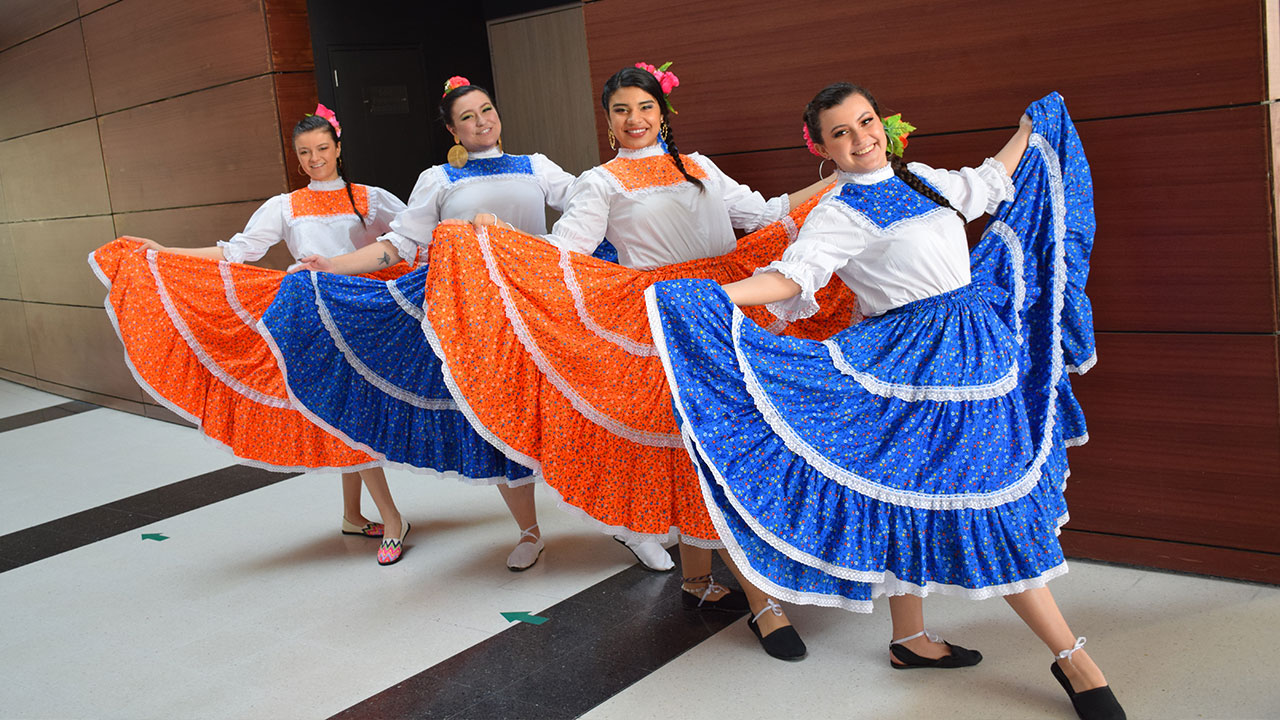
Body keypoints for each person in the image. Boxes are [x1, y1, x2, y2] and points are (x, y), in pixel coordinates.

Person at [645, 83, 1124, 719]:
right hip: (908, 369)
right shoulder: (838, 212)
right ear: (821, 146)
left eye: (866, 122)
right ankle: (1073, 657)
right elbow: (795, 278)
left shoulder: (922, 179)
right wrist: (715, 298)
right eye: (841, 132)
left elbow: (985, 182)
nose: (861, 138)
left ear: (884, 125)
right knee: (989, 510)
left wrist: (1028, 129)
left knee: (921, 495)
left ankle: (909, 639)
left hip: (977, 356)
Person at [426, 63, 847, 660]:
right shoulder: (600, 181)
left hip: (729, 305)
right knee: (706, 445)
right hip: (666, 321)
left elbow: (764, 213)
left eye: (645, 107)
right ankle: (763, 603)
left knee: (717, 444)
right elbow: (565, 249)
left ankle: (698, 581)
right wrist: (497, 237)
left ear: (663, 112)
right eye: (621, 110)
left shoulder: (698, 165)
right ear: (608, 120)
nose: (635, 120)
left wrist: (835, 186)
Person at [271, 77, 580, 570]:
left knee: (576, 403)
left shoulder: (538, 167)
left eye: (486, 110)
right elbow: (398, 245)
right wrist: (333, 267)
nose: (481, 122)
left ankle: (628, 525)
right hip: (478, 316)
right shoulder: (438, 179)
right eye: (468, 117)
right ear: (452, 130)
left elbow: (587, 208)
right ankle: (529, 531)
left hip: (542, 303)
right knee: (499, 416)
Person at [89, 106, 415, 565]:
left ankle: (352, 515)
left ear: (339, 148)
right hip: (313, 318)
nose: (315, 158)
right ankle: (391, 518)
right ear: (297, 157)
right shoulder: (284, 205)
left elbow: (410, 240)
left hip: (360, 317)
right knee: (345, 412)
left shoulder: (372, 198)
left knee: (346, 412)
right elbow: (237, 251)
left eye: (323, 148)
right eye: (305, 152)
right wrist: (167, 252)